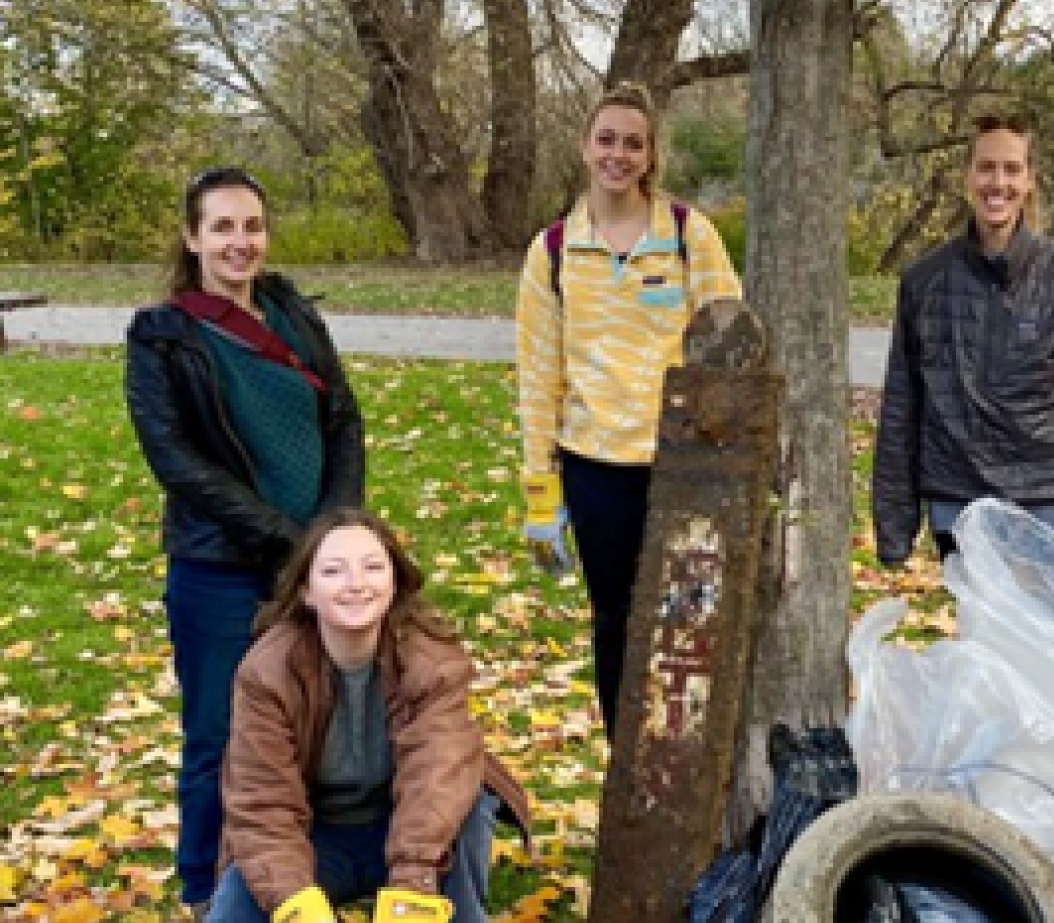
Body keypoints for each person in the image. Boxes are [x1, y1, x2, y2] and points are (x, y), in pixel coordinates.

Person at [125, 166, 366, 916]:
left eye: (251, 226)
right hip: (219, 568)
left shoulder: (291, 311)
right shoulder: (163, 336)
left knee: (310, 726)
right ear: (193, 237)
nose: (240, 241)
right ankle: (206, 887)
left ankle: (291, 874)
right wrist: (288, 540)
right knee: (219, 735)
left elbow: (344, 420)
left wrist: (335, 529)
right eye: (223, 227)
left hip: (315, 561)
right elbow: (178, 464)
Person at [515, 81, 742, 728]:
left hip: (680, 467)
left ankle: (686, 766)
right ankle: (627, 774)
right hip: (595, 472)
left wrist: (719, 452)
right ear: (586, 148)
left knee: (688, 625)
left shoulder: (688, 236)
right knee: (616, 622)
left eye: (634, 144)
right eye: (607, 139)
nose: (619, 154)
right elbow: (539, 376)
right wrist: (541, 491)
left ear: (650, 157)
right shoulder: (554, 251)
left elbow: (729, 341)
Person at [204, 509, 532, 923]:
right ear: (307, 590)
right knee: (237, 906)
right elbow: (262, 801)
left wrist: (411, 888)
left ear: (394, 583)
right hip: (315, 834)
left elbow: (437, 776)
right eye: (334, 571)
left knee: (467, 802)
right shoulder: (267, 672)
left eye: (373, 567)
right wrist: (295, 901)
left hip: (410, 825)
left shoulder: (432, 660)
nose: (356, 584)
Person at [871, 112, 1054, 582]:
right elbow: (901, 410)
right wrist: (894, 526)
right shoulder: (924, 282)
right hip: (958, 500)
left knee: (1048, 649)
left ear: (1029, 181)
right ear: (968, 176)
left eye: (1012, 170)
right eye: (987, 167)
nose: (998, 183)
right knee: (982, 648)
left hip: (1051, 501)